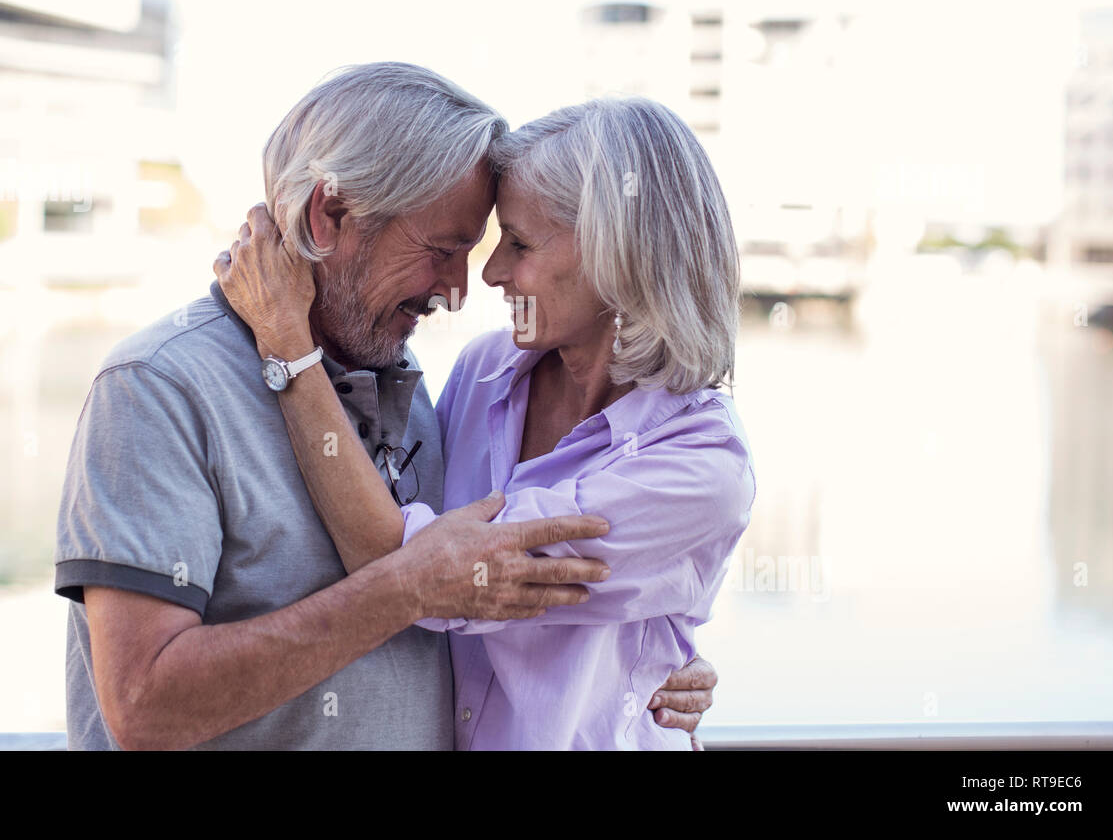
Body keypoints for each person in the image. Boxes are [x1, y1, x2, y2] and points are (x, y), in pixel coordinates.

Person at [54, 63, 716, 750]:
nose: (462, 289)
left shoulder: (415, 386)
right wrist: (405, 590)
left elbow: (501, 593)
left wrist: (641, 664)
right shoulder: (161, 387)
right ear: (330, 215)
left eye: (488, 248)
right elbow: (145, 707)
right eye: (442, 250)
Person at [215, 94, 754, 749]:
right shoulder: (486, 369)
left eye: (519, 243)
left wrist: (287, 344)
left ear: (617, 255)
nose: (491, 274)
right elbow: (406, 564)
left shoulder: (702, 469)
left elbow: (407, 569)